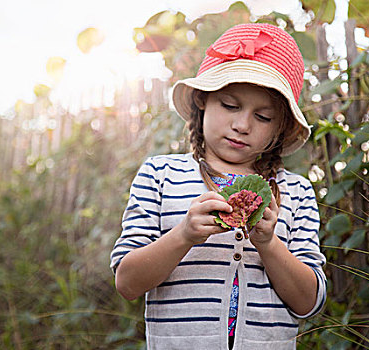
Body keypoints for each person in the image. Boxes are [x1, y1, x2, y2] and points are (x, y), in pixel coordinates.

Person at [110, 22, 326, 350]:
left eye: (263, 117)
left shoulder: (296, 193)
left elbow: (309, 302)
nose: (242, 125)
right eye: (230, 105)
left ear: (280, 128)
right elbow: (127, 282)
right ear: (202, 99)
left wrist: (268, 243)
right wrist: (184, 234)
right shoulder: (160, 175)